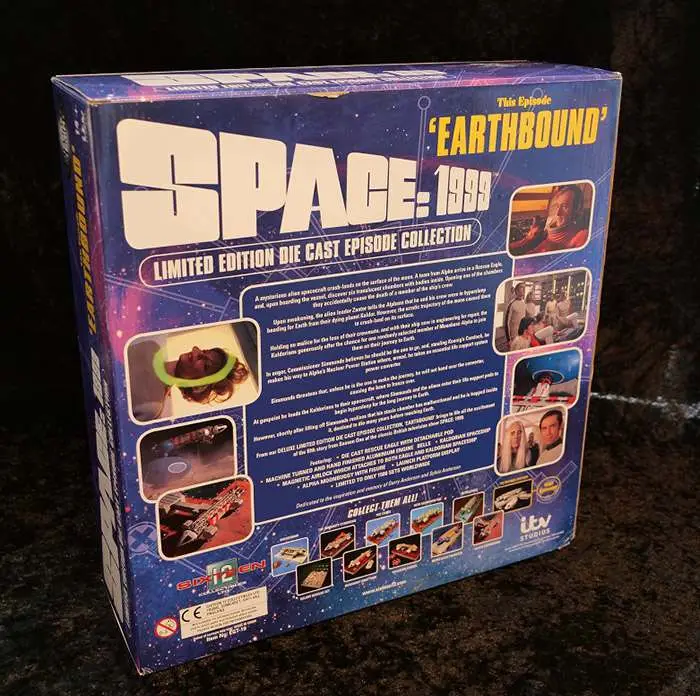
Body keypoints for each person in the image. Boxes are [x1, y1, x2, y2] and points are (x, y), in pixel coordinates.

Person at [128, 342, 248, 422]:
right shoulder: (151, 347)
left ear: (199, 385)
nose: (197, 353)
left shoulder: (152, 406)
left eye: (206, 365)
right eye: (204, 351)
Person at [509, 184, 589, 256]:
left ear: (576, 210)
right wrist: (529, 238)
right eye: (557, 206)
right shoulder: (548, 225)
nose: (557, 213)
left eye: (565, 207)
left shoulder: (581, 236)